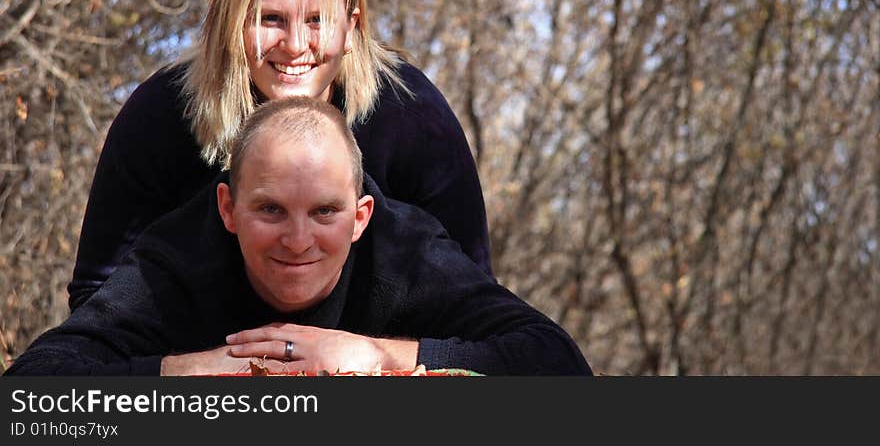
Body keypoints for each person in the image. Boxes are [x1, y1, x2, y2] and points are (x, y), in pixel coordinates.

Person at [68, 0, 492, 312]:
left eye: (316, 20)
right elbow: (95, 297)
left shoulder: (412, 116)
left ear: (352, 27)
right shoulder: (162, 114)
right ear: (230, 23)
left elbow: (473, 301)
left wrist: (368, 359)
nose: (293, 44)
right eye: (270, 18)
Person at [6, 98, 590, 376]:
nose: (298, 239)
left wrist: (379, 356)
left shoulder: (406, 250)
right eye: (271, 210)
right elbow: (30, 393)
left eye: (325, 212)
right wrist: (185, 374)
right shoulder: (177, 260)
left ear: (362, 217)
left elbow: (558, 363)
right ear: (227, 208)